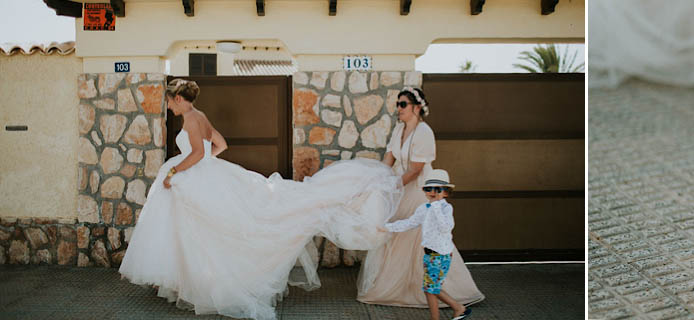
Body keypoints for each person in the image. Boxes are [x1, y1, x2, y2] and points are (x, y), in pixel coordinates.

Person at [120, 79, 403, 319]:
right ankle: (190, 282)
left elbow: (196, 153)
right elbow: (220, 145)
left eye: (170, 102)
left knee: (202, 231)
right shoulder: (201, 116)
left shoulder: (192, 119)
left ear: (179, 99)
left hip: (192, 175)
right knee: (204, 230)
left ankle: (198, 283)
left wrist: (173, 171)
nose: (169, 106)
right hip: (204, 174)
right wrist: (206, 164)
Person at [358, 87, 484, 307]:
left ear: (417, 107)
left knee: (419, 235)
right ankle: (397, 286)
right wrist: (379, 178)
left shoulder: (425, 132)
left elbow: (416, 169)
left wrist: (393, 185)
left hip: (419, 189)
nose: (398, 108)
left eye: (403, 104)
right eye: (397, 104)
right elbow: (389, 157)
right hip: (401, 187)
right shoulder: (399, 129)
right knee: (396, 235)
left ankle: (449, 290)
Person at [379, 169, 471, 320]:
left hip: (440, 255)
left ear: (446, 193)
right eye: (428, 189)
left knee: (431, 289)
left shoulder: (446, 208)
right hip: (429, 254)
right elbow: (410, 223)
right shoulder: (423, 208)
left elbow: (445, 227)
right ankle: (456, 309)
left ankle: (455, 310)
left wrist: (436, 207)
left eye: (438, 189)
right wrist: (387, 227)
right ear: (424, 191)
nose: (432, 192)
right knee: (431, 288)